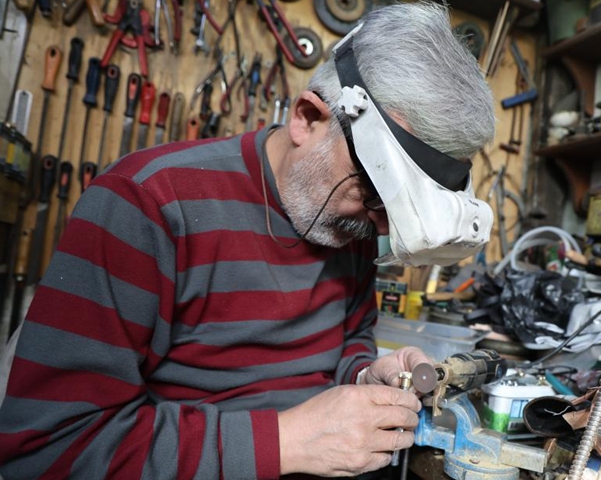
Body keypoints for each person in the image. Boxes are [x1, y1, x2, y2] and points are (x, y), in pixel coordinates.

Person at [0, 2, 495, 478]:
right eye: (373, 190)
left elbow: (347, 346)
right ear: (307, 117)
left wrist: (368, 377)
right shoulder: (147, 205)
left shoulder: (352, 221)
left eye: (397, 207)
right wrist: (287, 441)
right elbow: (50, 448)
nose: (381, 226)